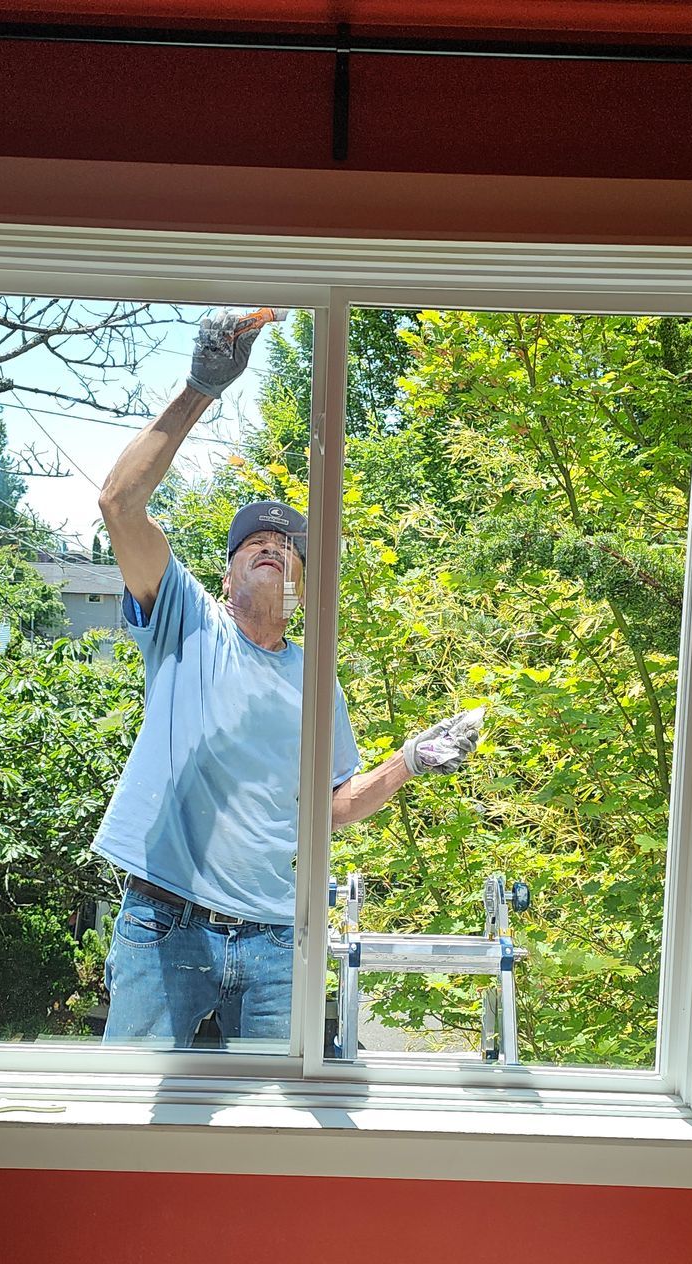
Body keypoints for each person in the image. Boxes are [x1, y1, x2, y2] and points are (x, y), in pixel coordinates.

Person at [90, 307, 483, 1045]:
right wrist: (201, 389)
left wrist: (409, 761)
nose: (272, 547)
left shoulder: (316, 681)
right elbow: (119, 503)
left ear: (301, 584)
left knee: (271, 1136)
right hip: (168, 922)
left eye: (287, 546)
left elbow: (329, 807)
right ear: (227, 570)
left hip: (276, 939)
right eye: (255, 542)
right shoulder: (189, 623)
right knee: (127, 1121)